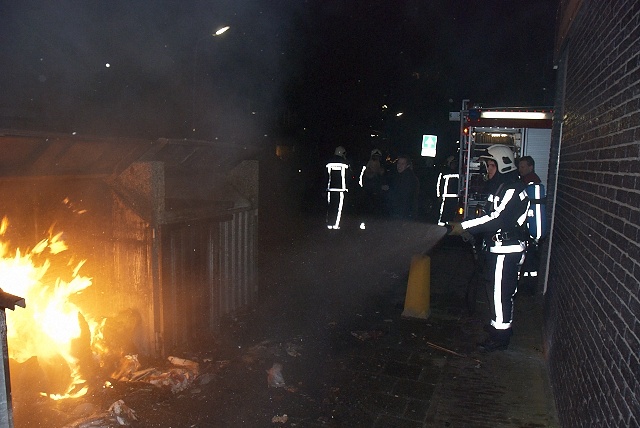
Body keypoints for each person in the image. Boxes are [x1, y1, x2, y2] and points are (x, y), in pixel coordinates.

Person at [447, 145, 529, 351]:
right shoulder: (500, 187)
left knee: (501, 295)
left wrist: (464, 227)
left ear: (503, 164)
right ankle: (497, 327)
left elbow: (498, 218)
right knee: (495, 293)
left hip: (507, 250)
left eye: (492, 165)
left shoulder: (513, 188)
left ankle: (501, 338)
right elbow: (486, 215)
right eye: (488, 165)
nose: (488, 169)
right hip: (497, 248)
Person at [325, 146, 352, 229]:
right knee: (339, 208)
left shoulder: (329, 162)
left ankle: (329, 224)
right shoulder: (344, 163)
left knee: (330, 207)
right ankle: (336, 225)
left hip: (330, 188)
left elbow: (326, 176)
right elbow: (348, 175)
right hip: (341, 189)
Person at [386, 154, 419, 219]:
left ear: (407, 165)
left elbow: (403, 196)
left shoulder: (406, 177)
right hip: (404, 212)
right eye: (398, 163)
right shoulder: (402, 176)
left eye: (402, 164)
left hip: (402, 212)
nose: (399, 166)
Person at [360, 148, 386, 216]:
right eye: (375, 158)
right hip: (370, 197)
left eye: (378, 157)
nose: (376, 161)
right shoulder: (368, 172)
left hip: (376, 197)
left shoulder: (380, 171)